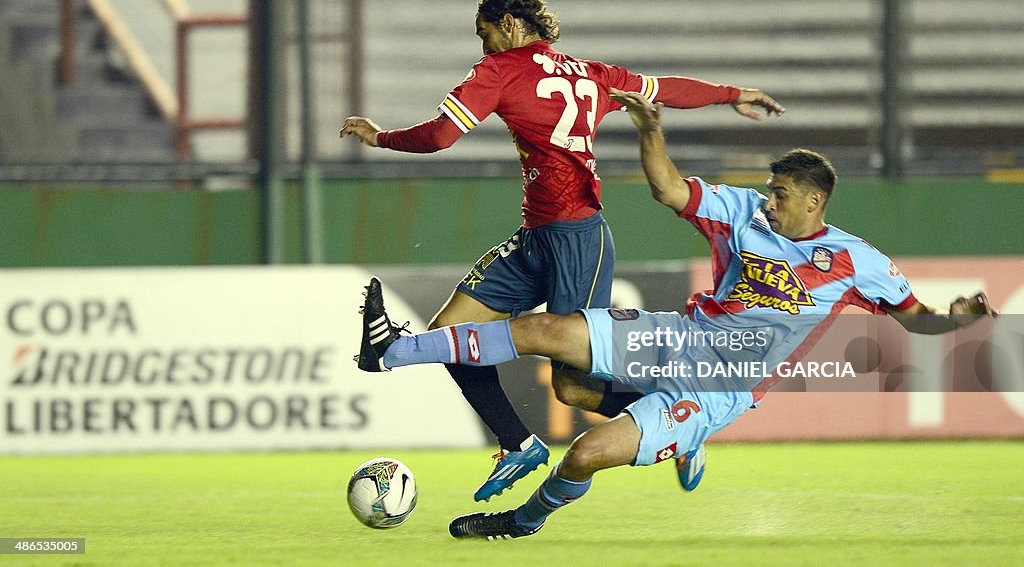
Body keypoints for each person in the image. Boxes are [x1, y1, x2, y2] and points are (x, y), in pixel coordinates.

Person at [354, 88, 998, 540]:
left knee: (582, 456)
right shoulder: (742, 211)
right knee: (544, 332)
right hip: (678, 338)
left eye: (780, 193)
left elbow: (917, 319)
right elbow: (667, 187)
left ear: (813, 201)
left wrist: (958, 318)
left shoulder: (858, 261)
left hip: (721, 388)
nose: (767, 200)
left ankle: (523, 521)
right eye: (769, 190)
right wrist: (649, 130)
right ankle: (390, 352)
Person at [341, 0, 785, 501]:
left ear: (507, 24)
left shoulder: (499, 69)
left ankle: (681, 423)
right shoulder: (591, 73)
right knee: (452, 335)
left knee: (573, 385)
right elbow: (664, 89)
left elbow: (440, 135)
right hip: (537, 237)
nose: (480, 45)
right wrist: (731, 93)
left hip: (578, 238)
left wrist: (379, 136)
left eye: (483, 33)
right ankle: (517, 444)